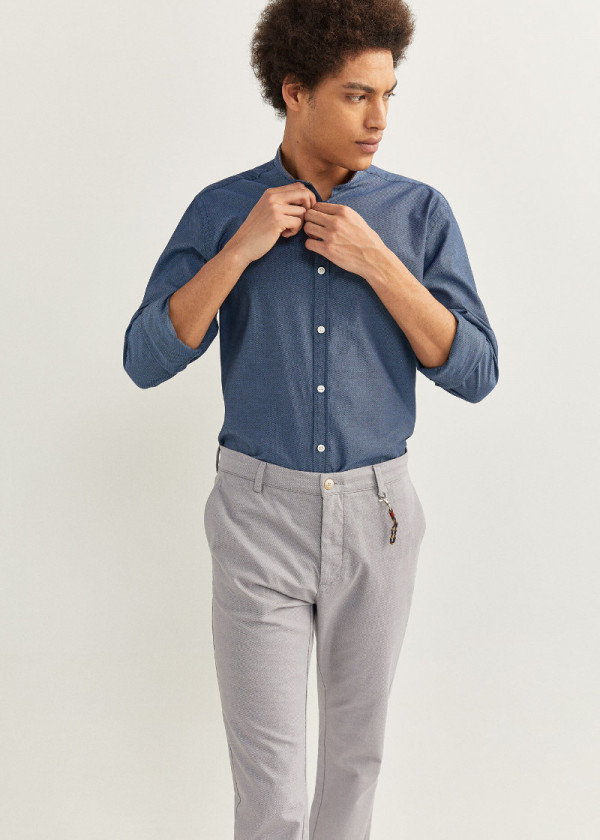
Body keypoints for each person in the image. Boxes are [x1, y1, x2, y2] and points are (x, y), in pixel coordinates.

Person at [123, 0, 499, 837]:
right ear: (295, 92)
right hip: (257, 515)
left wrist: (378, 262)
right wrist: (241, 249)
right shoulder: (225, 208)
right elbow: (146, 358)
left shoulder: (419, 214)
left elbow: (476, 371)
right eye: (357, 95)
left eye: (388, 95)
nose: (379, 119)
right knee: (272, 796)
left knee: (354, 767)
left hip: (379, 515)